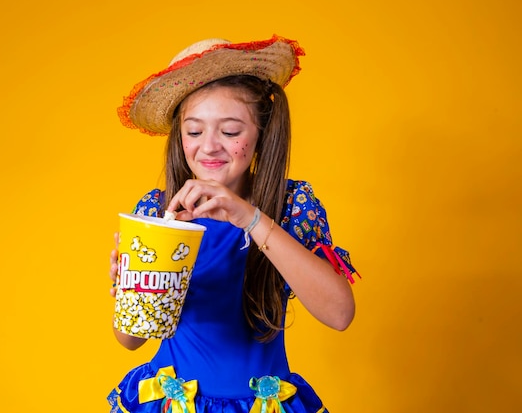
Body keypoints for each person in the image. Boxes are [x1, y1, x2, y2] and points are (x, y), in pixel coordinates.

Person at [107, 35, 360, 413]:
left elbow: (340, 314)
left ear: (261, 134)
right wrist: (133, 290)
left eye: (229, 132)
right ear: (179, 136)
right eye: (194, 131)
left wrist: (250, 217)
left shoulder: (291, 205)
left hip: (262, 403)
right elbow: (129, 340)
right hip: (175, 402)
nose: (209, 146)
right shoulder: (160, 213)